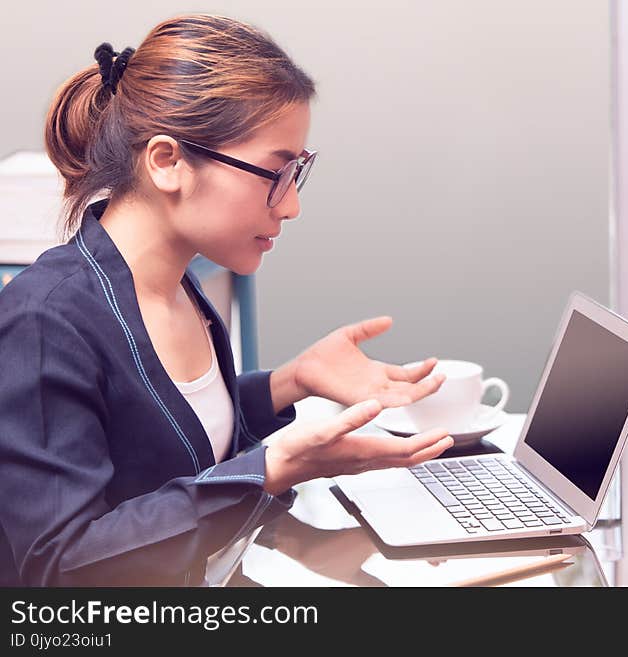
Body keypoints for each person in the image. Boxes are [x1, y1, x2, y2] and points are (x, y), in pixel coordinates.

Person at [0, 13, 454, 586]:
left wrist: (292, 381)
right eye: (276, 173)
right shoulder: (43, 322)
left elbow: (163, 433)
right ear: (168, 162)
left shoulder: (176, 287)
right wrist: (268, 470)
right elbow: (61, 568)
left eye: (298, 174)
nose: (290, 207)